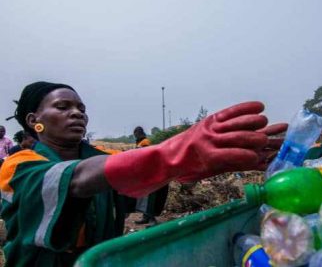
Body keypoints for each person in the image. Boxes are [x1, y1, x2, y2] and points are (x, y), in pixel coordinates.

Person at [0, 81, 287, 266]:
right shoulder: (18, 165)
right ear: (34, 120)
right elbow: (75, 180)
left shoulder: (101, 156)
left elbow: (133, 179)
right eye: (63, 107)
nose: (77, 113)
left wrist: (191, 166)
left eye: (81, 108)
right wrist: (170, 153)